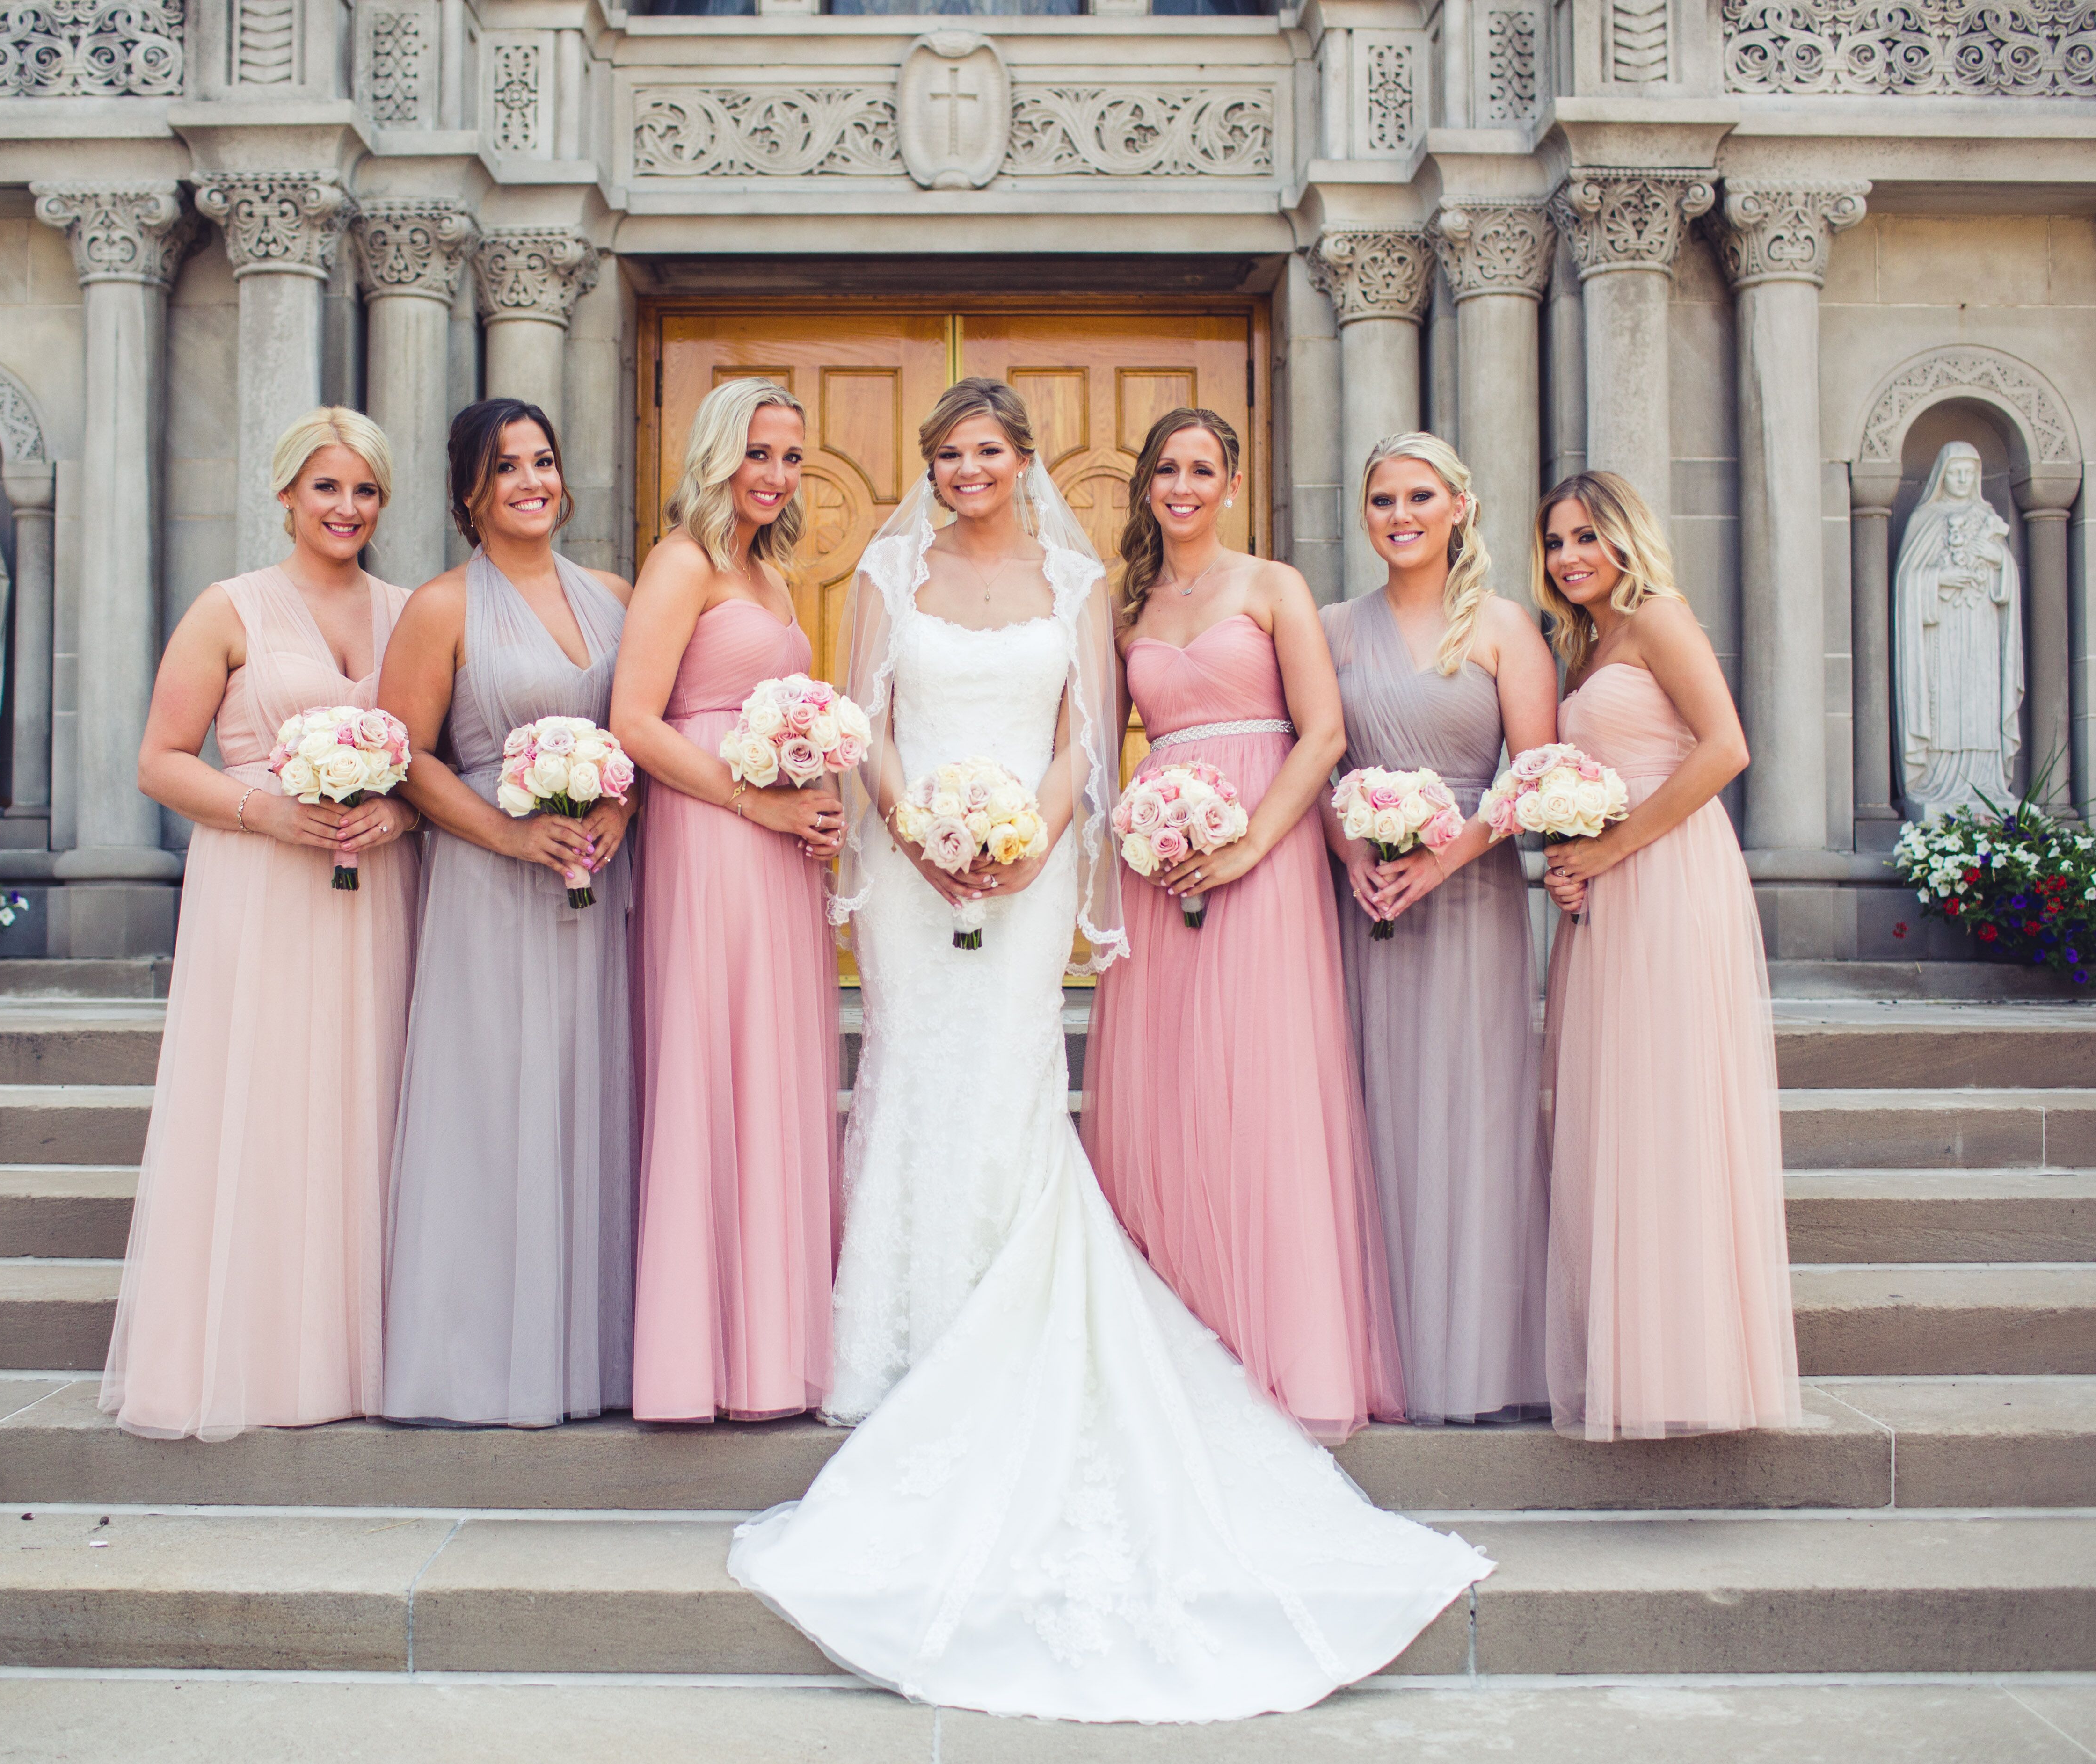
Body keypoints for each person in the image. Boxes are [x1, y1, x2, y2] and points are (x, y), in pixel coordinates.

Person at [729, 379, 1490, 1725]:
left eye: (990, 451)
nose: (969, 469)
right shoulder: (881, 572)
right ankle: (900, 1339)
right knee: (915, 1073)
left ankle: (1007, 1317)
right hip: (915, 862)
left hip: (1029, 857)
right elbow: (868, 723)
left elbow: (1091, 727)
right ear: (934, 466)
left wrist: (1026, 827)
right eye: (950, 452)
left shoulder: (1083, 582)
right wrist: (911, 829)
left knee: (1012, 1077)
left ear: (1026, 464)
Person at [1079, 407, 1399, 1443]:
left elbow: (1324, 733)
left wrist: (1257, 842)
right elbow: (1096, 738)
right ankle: (1177, 1334)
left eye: (1201, 468)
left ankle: (1281, 1345)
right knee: (1162, 1087)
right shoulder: (1127, 602)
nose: (1182, 485)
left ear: (1231, 482)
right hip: (1160, 852)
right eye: (1165, 468)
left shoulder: (1271, 586)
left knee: (1259, 1083)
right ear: (1148, 486)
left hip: (1262, 846)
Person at [103, 407, 420, 1440]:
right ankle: (251, 1357)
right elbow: (161, 758)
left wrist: (401, 808)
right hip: (259, 880)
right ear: (286, 493)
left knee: (366, 1102)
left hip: (377, 887)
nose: (346, 508)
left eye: (365, 489)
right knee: (269, 1104)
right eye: (327, 487)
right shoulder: (229, 607)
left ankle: (366, 1353)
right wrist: (270, 809)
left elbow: (435, 760)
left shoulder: (408, 610)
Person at [376, 399, 636, 1428]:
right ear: (471, 491)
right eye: (507, 467)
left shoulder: (616, 596)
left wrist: (619, 799)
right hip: (490, 886)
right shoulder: (442, 607)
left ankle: (593, 1352)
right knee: (492, 1106)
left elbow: (642, 725)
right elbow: (409, 757)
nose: (533, 481)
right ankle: (477, 1356)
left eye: (544, 461)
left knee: (590, 1094)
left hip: (602, 879)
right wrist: (508, 833)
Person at [1534, 470, 1802, 1442]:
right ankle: (1633, 1354)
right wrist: (1573, 862)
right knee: (1623, 1114)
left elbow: (1726, 746)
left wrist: (1610, 846)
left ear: (1625, 538)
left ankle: (1691, 1368)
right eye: (1557, 541)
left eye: (1586, 537)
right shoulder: (1587, 642)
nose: (1569, 557)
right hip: (1615, 883)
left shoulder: (1657, 617)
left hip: (1673, 875)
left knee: (1671, 1109)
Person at [610, 377, 846, 1424]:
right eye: (758, 452)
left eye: (792, 457)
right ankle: (698, 1356)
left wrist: (817, 793)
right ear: (716, 454)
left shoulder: (772, 572)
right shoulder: (682, 563)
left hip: (779, 841)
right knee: (719, 1058)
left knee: (773, 1067)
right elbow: (637, 721)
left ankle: (771, 1346)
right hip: (713, 835)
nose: (776, 474)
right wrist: (759, 802)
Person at [1319, 432, 1554, 1425]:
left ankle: (1472, 1361)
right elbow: (1319, 763)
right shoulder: (1331, 627)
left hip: (1471, 897)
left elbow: (1536, 775)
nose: (1400, 515)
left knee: (1472, 1111)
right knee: (1369, 1110)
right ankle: (1376, 1353)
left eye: (1420, 496)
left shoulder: (1506, 627)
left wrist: (1442, 858)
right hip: (1366, 898)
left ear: (1461, 504)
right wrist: (1359, 858)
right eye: (1382, 500)